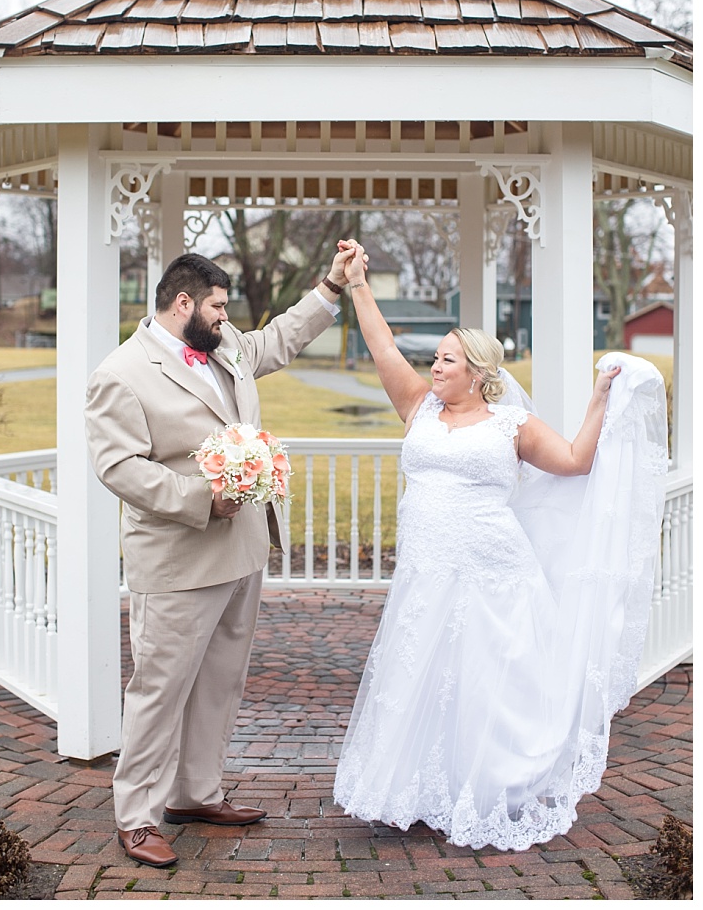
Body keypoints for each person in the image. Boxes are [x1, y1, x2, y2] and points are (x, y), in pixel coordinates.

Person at [331, 240, 668, 850]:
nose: (435, 368)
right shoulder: (419, 409)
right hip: (427, 569)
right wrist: (357, 283)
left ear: (480, 374)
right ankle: (415, 789)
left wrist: (597, 402)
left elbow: (573, 461)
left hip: (493, 570)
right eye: (434, 359)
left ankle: (490, 784)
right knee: (420, 676)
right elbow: (382, 345)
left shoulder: (511, 424)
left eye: (448, 361)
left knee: (486, 679)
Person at [85, 248, 355, 868]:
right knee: (160, 686)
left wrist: (332, 287)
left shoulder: (224, 341)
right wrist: (199, 498)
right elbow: (119, 467)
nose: (226, 317)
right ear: (184, 305)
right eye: (217, 305)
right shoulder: (122, 373)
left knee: (220, 682)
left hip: (242, 548)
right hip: (178, 557)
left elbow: (276, 341)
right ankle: (137, 816)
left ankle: (195, 793)